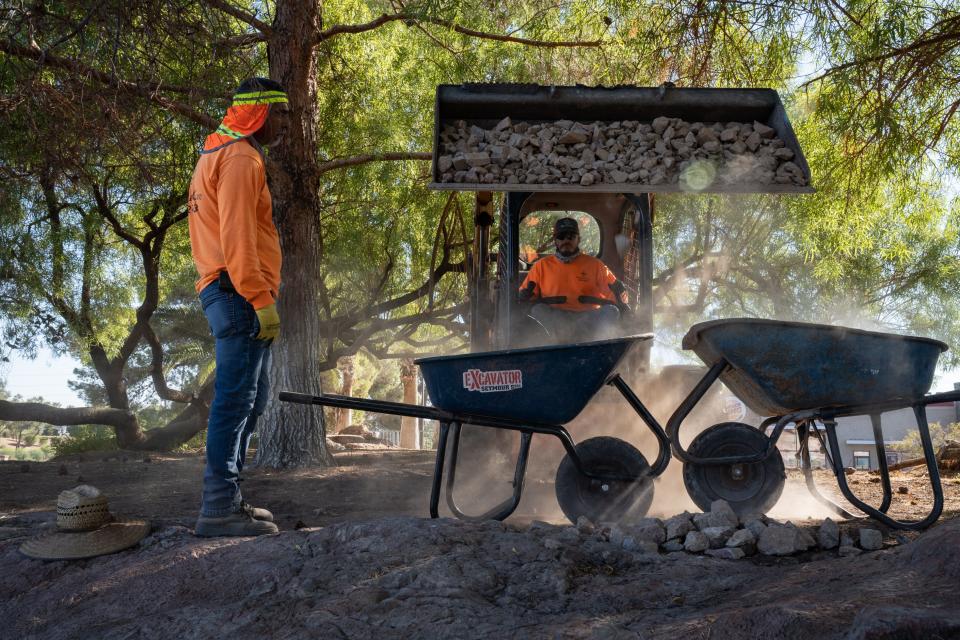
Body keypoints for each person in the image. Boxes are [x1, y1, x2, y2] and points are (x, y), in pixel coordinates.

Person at [188, 78, 290, 537]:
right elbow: (238, 240)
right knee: (235, 401)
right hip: (238, 293)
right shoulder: (241, 158)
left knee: (255, 397)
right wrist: (261, 298)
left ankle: (230, 498)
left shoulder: (215, 152)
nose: (288, 123)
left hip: (226, 292)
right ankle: (217, 508)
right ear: (260, 113)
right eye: (282, 113)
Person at [519, 217, 628, 342]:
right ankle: (556, 345)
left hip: (588, 319)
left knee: (612, 311)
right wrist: (524, 295)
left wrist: (621, 294)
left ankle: (593, 345)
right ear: (555, 241)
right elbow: (525, 293)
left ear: (578, 240)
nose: (566, 240)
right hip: (555, 320)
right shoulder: (541, 266)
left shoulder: (596, 265)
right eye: (561, 236)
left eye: (571, 236)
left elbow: (617, 293)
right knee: (537, 310)